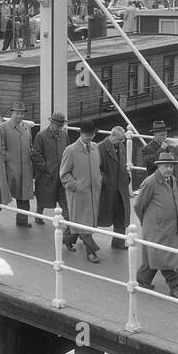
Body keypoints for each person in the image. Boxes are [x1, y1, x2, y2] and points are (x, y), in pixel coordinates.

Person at [133, 152, 178, 299]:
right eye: (166, 166)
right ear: (159, 166)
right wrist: (148, 222)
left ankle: (142, 279)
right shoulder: (150, 182)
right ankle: (175, 285)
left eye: (171, 166)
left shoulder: (174, 181)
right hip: (156, 228)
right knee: (163, 257)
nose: (169, 169)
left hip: (171, 227)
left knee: (156, 255)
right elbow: (139, 205)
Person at [60, 120, 104, 262]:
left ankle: (67, 238)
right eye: (87, 134)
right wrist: (76, 186)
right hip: (78, 194)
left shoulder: (96, 148)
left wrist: (99, 180)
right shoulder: (71, 150)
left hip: (93, 193)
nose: (90, 137)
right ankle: (91, 252)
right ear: (80, 133)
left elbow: (98, 168)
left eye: (92, 134)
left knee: (83, 222)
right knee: (84, 225)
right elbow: (64, 174)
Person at [97, 126, 132, 250]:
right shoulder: (100, 148)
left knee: (121, 215)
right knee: (96, 215)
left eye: (122, 140)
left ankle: (119, 242)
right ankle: (77, 234)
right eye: (119, 139)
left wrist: (127, 177)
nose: (121, 142)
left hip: (120, 188)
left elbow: (122, 163)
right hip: (107, 189)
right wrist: (105, 181)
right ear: (111, 136)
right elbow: (97, 168)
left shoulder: (120, 146)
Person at [30, 112, 68, 227]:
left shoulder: (64, 135)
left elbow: (68, 151)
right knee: (42, 195)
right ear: (51, 123)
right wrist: (46, 168)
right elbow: (36, 155)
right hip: (46, 174)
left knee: (63, 197)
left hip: (61, 172)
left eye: (61, 125)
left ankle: (68, 219)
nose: (59, 128)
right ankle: (39, 214)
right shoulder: (41, 136)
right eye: (57, 125)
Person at [1, 104, 36, 226]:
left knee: (24, 195)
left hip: (26, 167)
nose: (19, 116)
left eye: (22, 113)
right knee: (3, 193)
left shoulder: (27, 127)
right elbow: (1, 147)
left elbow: (30, 144)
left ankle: (22, 220)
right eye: (17, 113)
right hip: (11, 166)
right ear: (12, 113)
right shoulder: (4, 127)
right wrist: (7, 159)